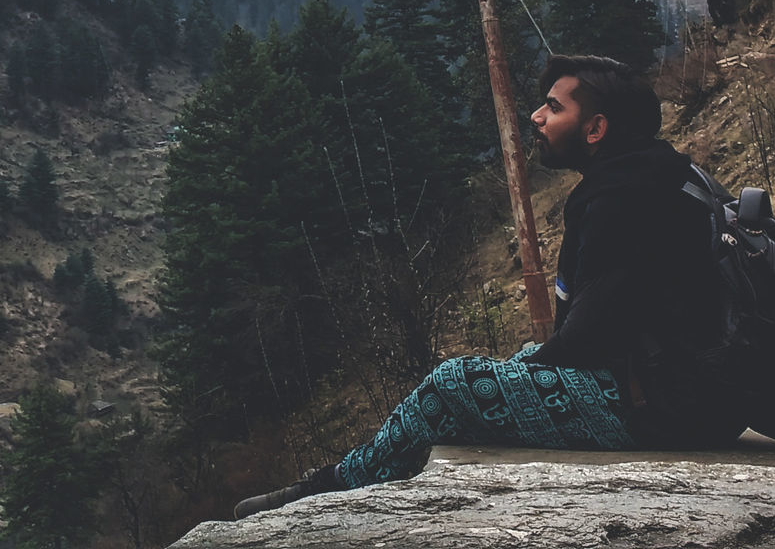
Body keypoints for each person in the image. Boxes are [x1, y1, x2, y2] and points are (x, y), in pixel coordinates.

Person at [234, 54, 745, 520]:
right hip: (694, 394)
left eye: (552, 107)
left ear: (595, 129)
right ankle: (356, 482)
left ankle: (327, 494)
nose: (536, 118)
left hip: (666, 411)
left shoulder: (624, 199)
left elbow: (586, 337)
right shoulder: (664, 174)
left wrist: (507, 375)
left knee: (456, 382)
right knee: (511, 365)